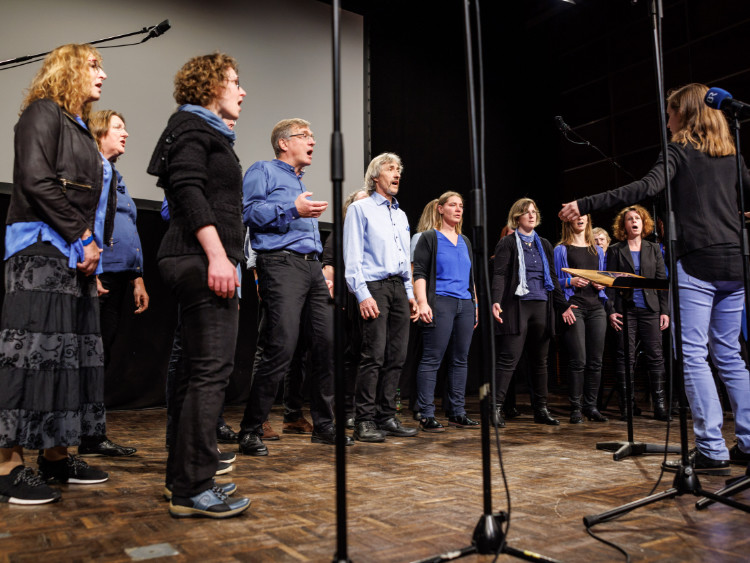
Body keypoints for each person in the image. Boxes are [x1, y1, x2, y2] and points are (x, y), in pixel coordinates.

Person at [560, 82, 750, 473]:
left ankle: (712, 449)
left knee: (693, 354)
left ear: (685, 113)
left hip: (698, 263)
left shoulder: (678, 152)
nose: (667, 122)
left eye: (669, 114)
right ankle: (748, 443)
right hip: (736, 266)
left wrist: (584, 203)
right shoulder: (732, 156)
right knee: (730, 355)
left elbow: (645, 188)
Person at [0, 44, 113, 505]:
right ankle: (6, 466)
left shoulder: (78, 125)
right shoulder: (41, 113)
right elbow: (35, 178)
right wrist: (82, 235)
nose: (102, 75)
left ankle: (55, 456)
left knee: (68, 356)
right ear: (68, 69)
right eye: (93, 66)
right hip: (39, 250)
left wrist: (90, 246)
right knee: (30, 354)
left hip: (72, 253)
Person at [148, 53, 250, 517]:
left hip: (196, 256)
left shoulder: (200, 130)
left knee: (196, 372)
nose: (242, 90)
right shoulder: (192, 128)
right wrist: (218, 256)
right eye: (234, 81)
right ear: (210, 86)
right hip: (198, 256)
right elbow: (187, 190)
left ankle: (182, 480)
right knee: (211, 372)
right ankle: (193, 488)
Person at [239, 118, 351, 455]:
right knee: (281, 346)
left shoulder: (299, 180)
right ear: (283, 143)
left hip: (311, 267)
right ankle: (251, 429)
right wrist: (293, 209)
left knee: (327, 344)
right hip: (280, 263)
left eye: (313, 136)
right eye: (304, 136)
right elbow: (248, 213)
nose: (312, 141)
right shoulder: (263, 170)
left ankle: (325, 425)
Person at [79, 109, 147, 458]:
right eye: (118, 127)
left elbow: (126, 227)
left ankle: (91, 432)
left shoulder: (114, 175)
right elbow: (83, 220)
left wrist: (137, 277)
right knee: (89, 357)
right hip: (98, 274)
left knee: (101, 357)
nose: (126, 133)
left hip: (120, 275)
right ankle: (86, 435)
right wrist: (94, 272)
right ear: (99, 132)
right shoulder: (91, 170)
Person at [344, 153, 420, 442]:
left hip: (399, 288)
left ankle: (386, 416)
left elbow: (404, 259)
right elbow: (352, 258)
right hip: (374, 286)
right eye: (390, 169)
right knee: (373, 355)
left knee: (397, 356)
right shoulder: (360, 209)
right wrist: (362, 295)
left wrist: (410, 294)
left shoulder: (400, 215)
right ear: (375, 176)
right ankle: (364, 420)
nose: (397, 173)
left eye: (399, 169)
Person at [491, 198, 574, 427]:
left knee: (540, 361)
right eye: (526, 212)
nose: (531, 215)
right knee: (509, 358)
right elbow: (500, 275)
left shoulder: (544, 244)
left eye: (534, 211)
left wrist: (562, 305)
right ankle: (495, 407)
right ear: (516, 217)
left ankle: (541, 409)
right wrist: (496, 301)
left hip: (542, 305)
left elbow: (553, 278)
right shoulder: (507, 243)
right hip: (517, 306)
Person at [413, 191, 478, 432]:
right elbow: (419, 273)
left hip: (465, 304)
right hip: (440, 302)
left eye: (461, 205)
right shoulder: (429, 238)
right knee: (432, 358)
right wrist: (422, 302)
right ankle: (426, 414)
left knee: (460, 359)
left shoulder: (465, 241)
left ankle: (457, 412)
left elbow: (470, 277)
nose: (458, 209)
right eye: (452, 205)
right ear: (440, 209)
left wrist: (475, 304)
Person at [604, 205, 670, 421]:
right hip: (625, 310)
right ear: (623, 225)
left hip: (650, 309)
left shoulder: (653, 248)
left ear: (644, 223)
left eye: (637, 218)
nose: (634, 221)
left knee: (656, 356)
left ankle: (660, 406)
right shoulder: (615, 249)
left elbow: (661, 281)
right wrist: (611, 310)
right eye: (630, 219)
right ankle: (627, 406)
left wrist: (664, 311)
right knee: (625, 356)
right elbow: (610, 284)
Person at [554, 215, 609, 424]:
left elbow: (604, 277)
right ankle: (576, 407)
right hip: (574, 306)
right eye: (576, 216)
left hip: (596, 308)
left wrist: (602, 283)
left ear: (588, 220)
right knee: (579, 360)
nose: (580, 219)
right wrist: (570, 281)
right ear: (569, 221)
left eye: (583, 216)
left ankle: (591, 406)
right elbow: (553, 281)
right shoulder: (562, 249)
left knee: (596, 361)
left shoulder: (598, 250)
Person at [321, 189, 369, 429]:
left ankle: (367, 410)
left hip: (369, 298)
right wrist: (332, 301)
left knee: (367, 356)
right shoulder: (340, 234)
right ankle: (346, 410)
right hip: (345, 302)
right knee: (348, 356)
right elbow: (329, 267)